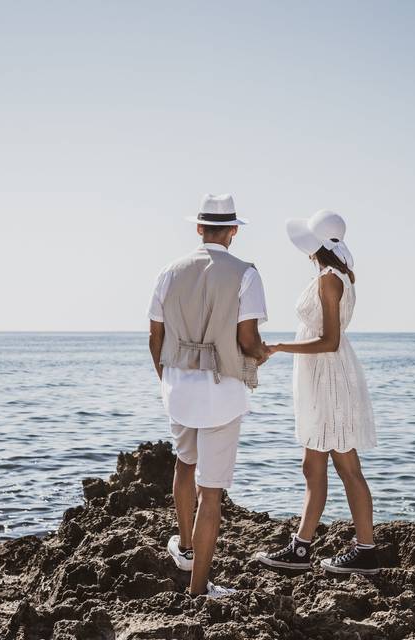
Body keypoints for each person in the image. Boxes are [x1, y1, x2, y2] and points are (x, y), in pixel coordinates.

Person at [148, 193, 269, 597]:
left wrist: (166, 380)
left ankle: (184, 548)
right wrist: (262, 354)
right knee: (211, 491)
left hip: (179, 389)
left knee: (184, 465)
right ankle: (198, 590)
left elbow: (155, 336)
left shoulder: (169, 271)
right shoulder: (246, 274)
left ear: (199, 228)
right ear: (233, 232)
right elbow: (248, 340)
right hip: (222, 393)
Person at [254, 209, 378, 574]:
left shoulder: (328, 278)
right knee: (316, 465)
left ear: (314, 246)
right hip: (325, 378)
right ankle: (304, 547)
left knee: (344, 465)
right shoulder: (339, 274)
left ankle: (358, 550)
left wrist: (277, 347)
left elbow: (329, 341)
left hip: (328, 379)